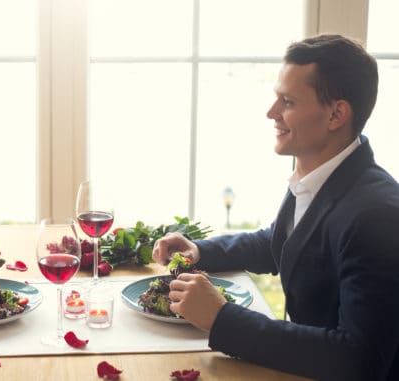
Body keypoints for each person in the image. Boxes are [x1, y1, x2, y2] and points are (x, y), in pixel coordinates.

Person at [153, 34, 399, 380]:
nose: (271, 113)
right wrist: (198, 251)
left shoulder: (378, 216)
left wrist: (222, 318)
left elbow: (358, 359)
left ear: (337, 114)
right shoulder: (322, 172)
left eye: (288, 102)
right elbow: (281, 242)